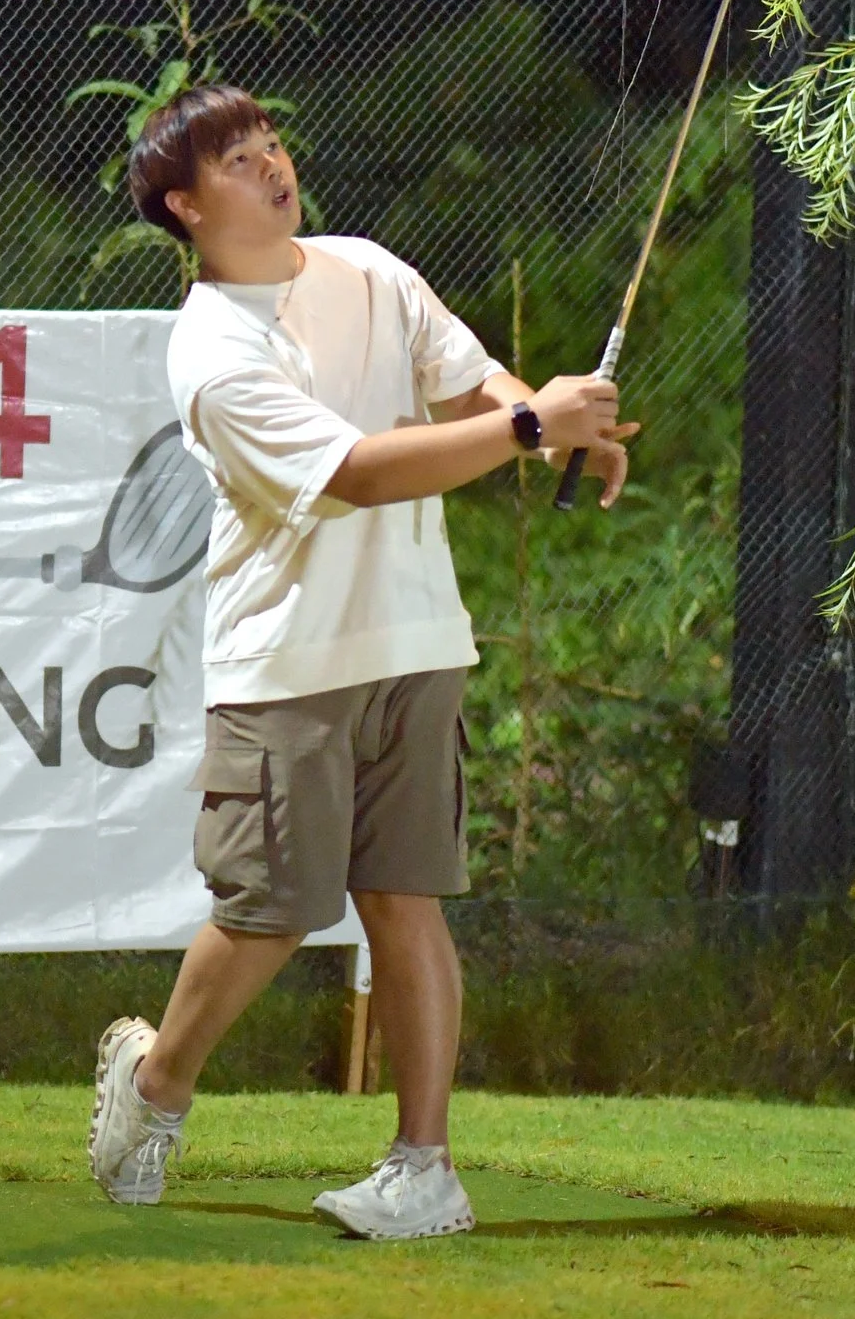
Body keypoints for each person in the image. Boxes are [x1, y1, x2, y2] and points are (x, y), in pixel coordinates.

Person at [87, 85, 631, 1238]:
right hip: (285, 658)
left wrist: (542, 421)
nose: (271, 164)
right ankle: (156, 1082)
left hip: (417, 637)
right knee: (269, 911)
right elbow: (356, 473)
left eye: (270, 142)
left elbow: (467, 377)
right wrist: (530, 427)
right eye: (237, 159)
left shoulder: (370, 268)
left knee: (404, 898)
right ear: (186, 206)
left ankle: (424, 1166)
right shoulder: (211, 350)